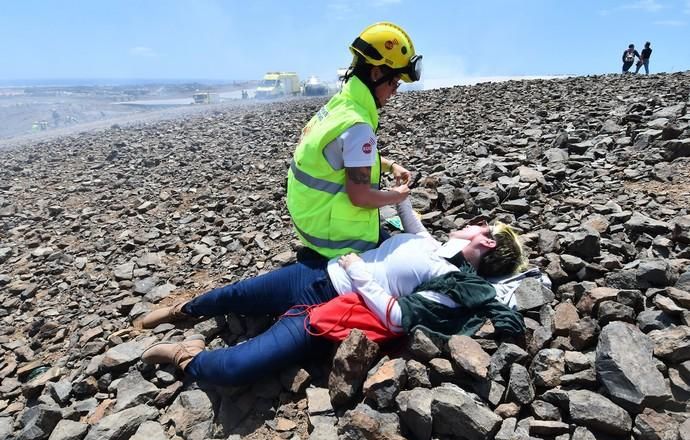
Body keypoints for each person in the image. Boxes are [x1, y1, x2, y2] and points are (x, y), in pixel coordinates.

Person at [137, 200, 528, 387]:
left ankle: (184, 355)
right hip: (313, 275)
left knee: (237, 370)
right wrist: (400, 191)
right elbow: (409, 218)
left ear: (488, 244)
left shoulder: (451, 279)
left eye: (481, 226)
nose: (472, 223)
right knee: (233, 294)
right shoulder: (432, 244)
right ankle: (182, 310)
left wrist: (359, 272)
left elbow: (396, 315)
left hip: (330, 310)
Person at [286, 22, 423, 260]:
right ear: (376, 73)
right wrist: (398, 195)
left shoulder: (341, 105)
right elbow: (360, 197)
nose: (395, 91)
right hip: (335, 242)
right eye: (394, 82)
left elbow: (345, 155)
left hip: (309, 221)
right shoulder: (358, 125)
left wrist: (390, 165)